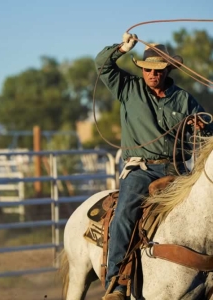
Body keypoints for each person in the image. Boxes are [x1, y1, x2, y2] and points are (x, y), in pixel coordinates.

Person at [94, 33, 213, 300]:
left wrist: (202, 127)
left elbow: (209, 136)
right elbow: (102, 64)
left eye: (158, 70)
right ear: (142, 69)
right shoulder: (127, 88)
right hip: (141, 170)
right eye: (148, 69)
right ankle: (117, 283)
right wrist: (122, 48)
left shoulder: (184, 100)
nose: (152, 74)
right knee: (125, 210)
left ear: (168, 69)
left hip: (177, 171)